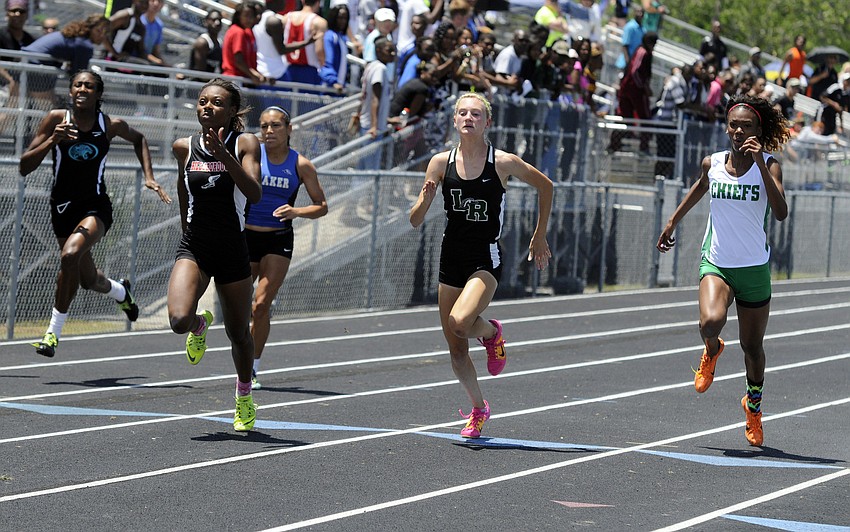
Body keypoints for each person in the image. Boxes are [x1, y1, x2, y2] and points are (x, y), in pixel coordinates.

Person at [408, 92, 553, 439]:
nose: (469, 118)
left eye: (476, 113)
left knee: (460, 322)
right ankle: (478, 408)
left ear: (487, 122)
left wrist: (540, 234)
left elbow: (545, 186)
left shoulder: (502, 162)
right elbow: (414, 220)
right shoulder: (440, 163)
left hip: (485, 257)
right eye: (462, 113)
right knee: (456, 347)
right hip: (450, 257)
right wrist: (425, 201)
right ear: (455, 121)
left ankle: (492, 333)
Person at [656, 95, 791, 447]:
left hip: (754, 269)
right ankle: (712, 349)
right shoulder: (712, 163)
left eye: (747, 126)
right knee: (709, 323)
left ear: (759, 130)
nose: (738, 131)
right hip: (717, 261)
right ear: (726, 128)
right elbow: (700, 188)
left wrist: (761, 162)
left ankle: (753, 407)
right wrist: (672, 221)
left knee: (752, 347)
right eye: (734, 124)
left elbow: (780, 212)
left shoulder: (771, 166)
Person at [20, 70, 171, 358]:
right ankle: (120, 292)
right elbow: (24, 166)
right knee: (88, 280)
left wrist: (149, 176)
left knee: (68, 256)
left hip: (96, 206)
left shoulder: (110, 125)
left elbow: (139, 140)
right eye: (78, 85)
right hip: (62, 207)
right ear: (71, 90)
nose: (82, 89)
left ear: (98, 94)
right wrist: (53, 140)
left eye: (89, 86)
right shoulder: (55, 119)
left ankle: (52, 333)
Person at [167, 78, 263, 432]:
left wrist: (224, 154)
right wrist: (184, 226)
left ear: (233, 110)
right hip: (196, 245)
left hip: (232, 247)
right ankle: (199, 324)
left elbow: (254, 193)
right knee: (178, 320)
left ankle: (243, 396)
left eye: (217, 102)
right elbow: (183, 185)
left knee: (239, 333)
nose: (208, 107)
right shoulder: (183, 146)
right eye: (203, 101)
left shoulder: (245, 143)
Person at [246, 106, 328, 389]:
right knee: (237, 304)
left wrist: (297, 211)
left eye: (276, 126)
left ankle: (252, 367)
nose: (269, 131)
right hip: (245, 236)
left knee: (260, 305)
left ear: (289, 129)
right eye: (264, 126)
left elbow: (322, 206)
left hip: (278, 239)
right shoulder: (249, 153)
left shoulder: (300, 165)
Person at [21, 15, 111, 106]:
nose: (102, 35)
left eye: (106, 32)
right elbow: (77, 76)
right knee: (49, 110)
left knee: (13, 109)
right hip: (35, 66)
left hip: (22, 61)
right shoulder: (84, 45)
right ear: (89, 28)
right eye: (98, 30)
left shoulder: (76, 38)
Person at [189, 9, 223, 75]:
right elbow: (201, 73)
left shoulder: (220, 42)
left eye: (219, 20)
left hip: (210, 82)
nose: (217, 23)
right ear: (206, 22)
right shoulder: (202, 42)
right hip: (197, 82)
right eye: (213, 20)